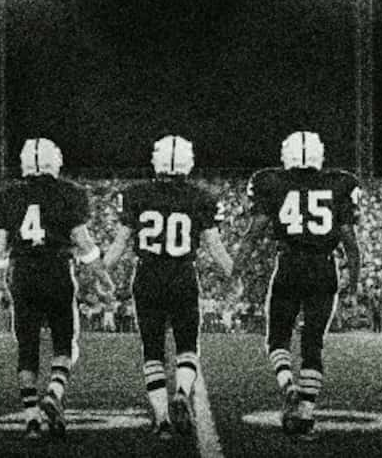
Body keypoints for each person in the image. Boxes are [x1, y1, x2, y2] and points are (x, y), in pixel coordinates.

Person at [104, 135, 234, 439]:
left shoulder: (135, 195)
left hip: (147, 276)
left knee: (152, 351)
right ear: (188, 162)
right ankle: (182, 392)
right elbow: (216, 248)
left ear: (156, 160)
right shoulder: (202, 198)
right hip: (182, 275)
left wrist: (99, 272)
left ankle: (162, 418)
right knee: (187, 345)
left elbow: (119, 245)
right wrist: (234, 274)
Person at [0, 137, 115, 441]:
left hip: (22, 273)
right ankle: (55, 392)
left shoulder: (5, 196)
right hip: (57, 270)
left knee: (27, 348)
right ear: (53, 161)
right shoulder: (69, 193)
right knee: (65, 343)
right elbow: (83, 243)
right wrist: (101, 275)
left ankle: (31, 417)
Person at [244, 131, 361, 435]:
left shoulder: (270, 181)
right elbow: (350, 242)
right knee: (313, 344)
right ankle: (306, 413)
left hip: (290, 265)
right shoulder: (341, 182)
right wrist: (354, 283)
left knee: (276, 339)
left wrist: (236, 268)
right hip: (324, 267)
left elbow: (254, 234)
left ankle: (287, 386)